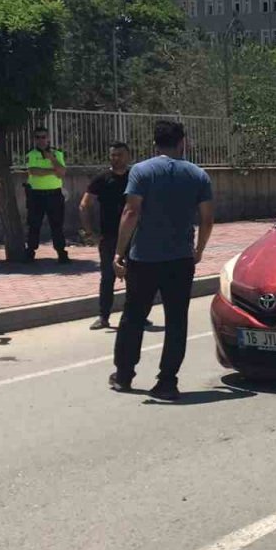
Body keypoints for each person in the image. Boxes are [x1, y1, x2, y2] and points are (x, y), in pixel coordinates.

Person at [111, 121, 214, 401]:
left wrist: (119, 251)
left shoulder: (141, 171)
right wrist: (200, 250)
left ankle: (124, 375)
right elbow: (206, 219)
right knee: (176, 319)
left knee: (133, 316)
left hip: (143, 257)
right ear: (182, 142)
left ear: (155, 143)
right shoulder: (198, 175)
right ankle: (167, 381)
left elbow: (131, 212)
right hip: (180, 258)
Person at [80, 142, 132, 331]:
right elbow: (85, 205)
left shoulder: (135, 177)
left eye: (120, 155)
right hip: (109, 237)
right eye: (113, 155)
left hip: (133, 236)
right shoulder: (102, 178)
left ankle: (134, 314)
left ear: (128, 156)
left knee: (135, 277)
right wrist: (89, 232)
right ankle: (103, 316)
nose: (116, 158)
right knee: (107, 277)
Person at [24, 127, 70, 263]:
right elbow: (33, 171)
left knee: (57, 224)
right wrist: (52, 170)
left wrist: (52, 159)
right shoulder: (31, 154)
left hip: (54, 194)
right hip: (36, 194)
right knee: (34, 224)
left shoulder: (57, 153)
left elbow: (62, 172)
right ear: (34, 139)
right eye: (37, 137)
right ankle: (30, 251)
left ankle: (61, 252)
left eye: (43, 137)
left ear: (48, 138)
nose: (41, 140)